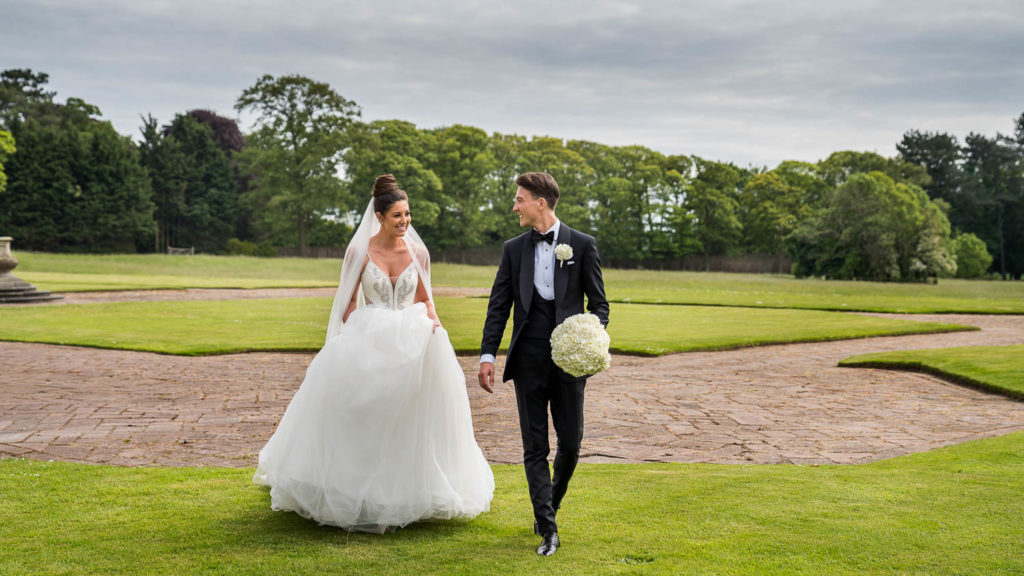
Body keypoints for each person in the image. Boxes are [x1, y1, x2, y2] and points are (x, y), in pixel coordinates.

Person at [255, 174, 494, 533]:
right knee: (365, 413)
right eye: (398, 215)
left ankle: (409, 493)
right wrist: (369, 334)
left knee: (414, 417)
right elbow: (348, 304)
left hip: (415, 342)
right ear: (379, 216)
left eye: (408, 215)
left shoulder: (420, 253)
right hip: (371, 340)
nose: (405, 222)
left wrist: (437, 330)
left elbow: (426, 300)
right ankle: (356, 491)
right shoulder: (359, 252)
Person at [477, 172, 609, 556]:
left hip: (570, 362)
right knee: (534, 446)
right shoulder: (513, 249)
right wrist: (488, 355)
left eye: (519, 199)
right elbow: (499, 306)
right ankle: (548, 529)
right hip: (528, 357)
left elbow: (599, 305)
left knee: (571, 442)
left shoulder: (583, 245)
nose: (514, 206)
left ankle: (551, 501)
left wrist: (589, 336)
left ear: (540, 203)